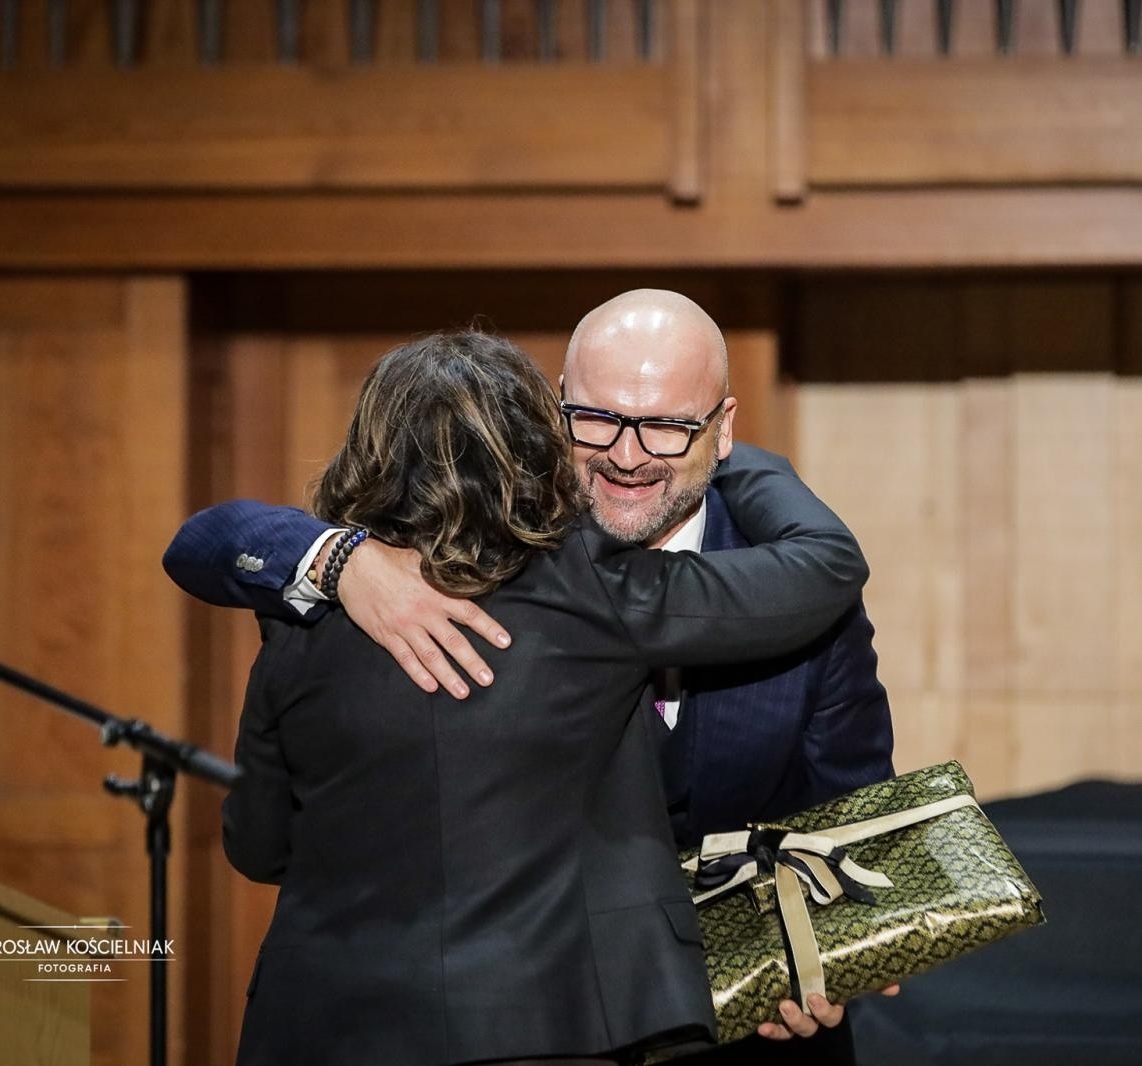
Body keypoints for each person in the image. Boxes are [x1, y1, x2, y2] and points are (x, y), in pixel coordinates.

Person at [163, 290, 895, 1062]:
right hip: (552, 1026)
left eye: (670, 427)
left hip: (708, 1028)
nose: (628, 453)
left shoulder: (798, 604)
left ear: (721, 426)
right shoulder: (564, 578)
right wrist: (339, 560)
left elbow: (850, 824)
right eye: (599, 419)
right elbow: (205, 542)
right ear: (553, 413)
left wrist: (823, 965)